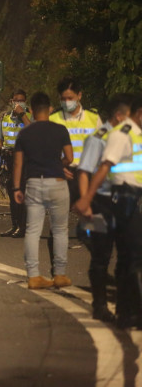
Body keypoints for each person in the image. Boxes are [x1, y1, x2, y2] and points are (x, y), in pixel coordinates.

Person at [74, 94, 142, 328]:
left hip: (120, 201)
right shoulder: (100, 138)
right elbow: (84, 171)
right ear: (119, 116)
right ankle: (100, 305)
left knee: (127, 255)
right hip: (101, 201)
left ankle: (127, 310)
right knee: (101, 255)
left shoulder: (130, 136)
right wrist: (86, 202)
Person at [13, 92, 73, 290]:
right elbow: (70, 158)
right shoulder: (60, 130)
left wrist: (16, 188)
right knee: (60, 230)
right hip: (57, 182)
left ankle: (33, 276)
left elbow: (18, 164)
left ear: (31, 110)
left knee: (32, 231)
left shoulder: (25, 133)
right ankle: (60, 275)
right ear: (50, 109)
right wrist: (58, 164)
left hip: (34, 184)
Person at [49, 77, 102, 203]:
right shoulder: (53, 119)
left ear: (79, 95)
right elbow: (46, 150)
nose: (67, 102)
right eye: (63, 99)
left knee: (88, 219)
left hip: (87, 175)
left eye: (70, 98)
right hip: (62, 174)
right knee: (61, 220)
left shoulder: (94, 118)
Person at [0, 89, 31, 238]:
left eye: (21, 100)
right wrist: (1, 151)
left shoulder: (29, 116)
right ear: (11, 102)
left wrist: (22, 114)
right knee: (11, 191)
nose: (18, 103)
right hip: (9, 159)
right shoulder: (5, 118)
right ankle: (14, 225)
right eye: (16, 100)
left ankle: (23, 227)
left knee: (20, 191)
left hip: (24, 159)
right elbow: (0, 137)